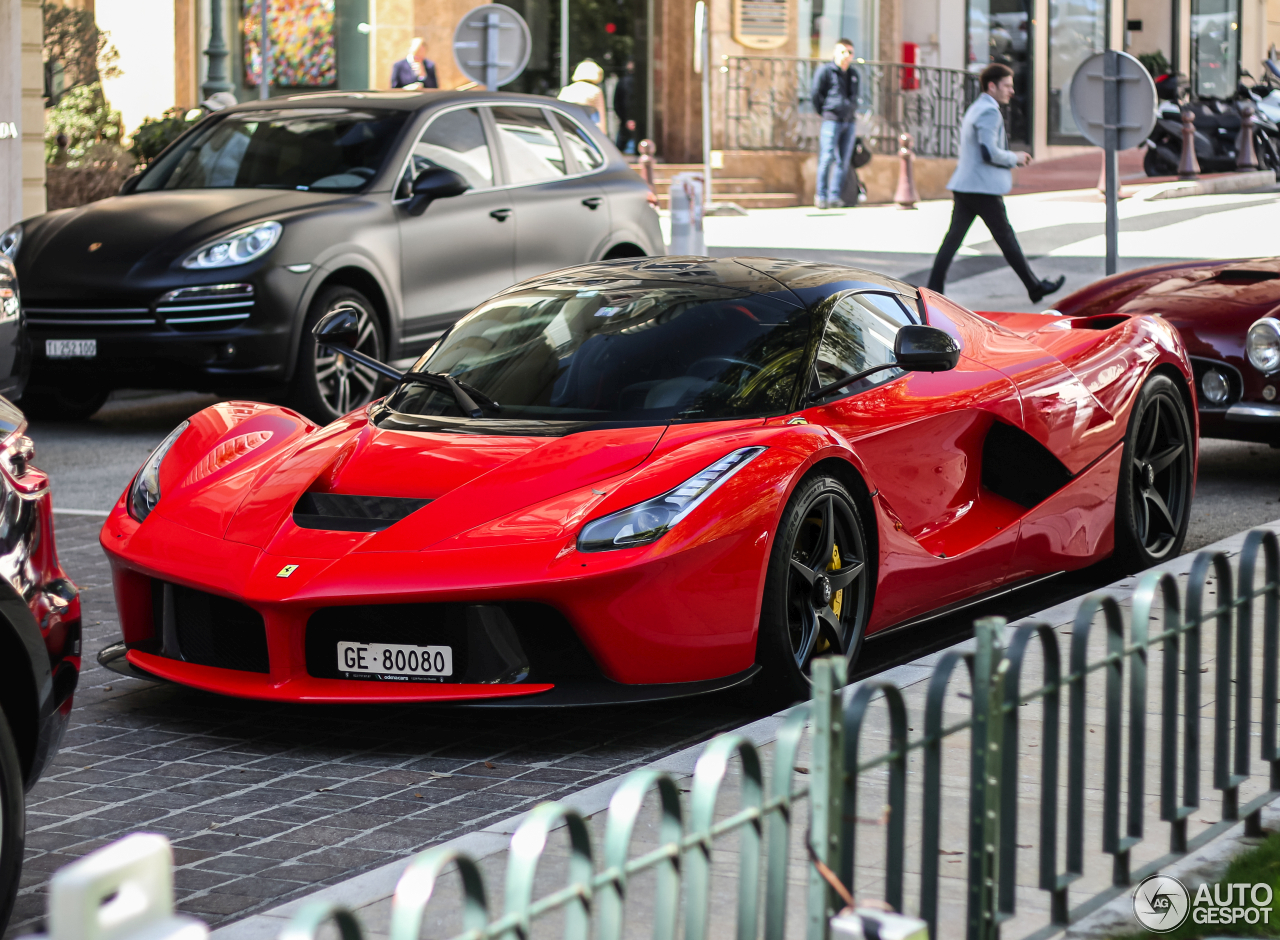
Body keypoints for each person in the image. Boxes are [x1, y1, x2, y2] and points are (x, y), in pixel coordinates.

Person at [926, 63, 1064, 303]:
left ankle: (933, 289)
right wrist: (1016, 158)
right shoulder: (989, 112)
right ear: (992, 86)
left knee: (955, 238)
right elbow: (989, 152)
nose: (1011, 90)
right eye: (1007, 86)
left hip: (968, 185)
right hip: (981, 187)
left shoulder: (977, 107)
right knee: (1005, 237)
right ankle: (1034, 287)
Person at [810, 39, 860, 210]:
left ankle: (834, 196)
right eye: (843, 51)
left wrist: (851, 109)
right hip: (831, 119)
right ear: (835, 53)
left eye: (850, 52)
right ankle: (821, 196)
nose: (847, 56)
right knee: (827, 157)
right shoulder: (825, 71)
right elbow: (816, 94)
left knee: (843, 161)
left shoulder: (853, 74)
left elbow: (854, 97)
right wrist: (825, 111)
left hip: (849, 121)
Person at [558, 60, 607, 127]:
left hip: (566, 127)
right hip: (585, 127)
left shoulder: (566, 89)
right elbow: (600, 118)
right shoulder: (595, 91)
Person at [614, 60, 638, 154]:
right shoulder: (626, 82)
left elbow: (617, 102)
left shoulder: (623, 81)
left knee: (620, 149)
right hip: (630, 120)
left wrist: (626, 119)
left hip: (626, 120)